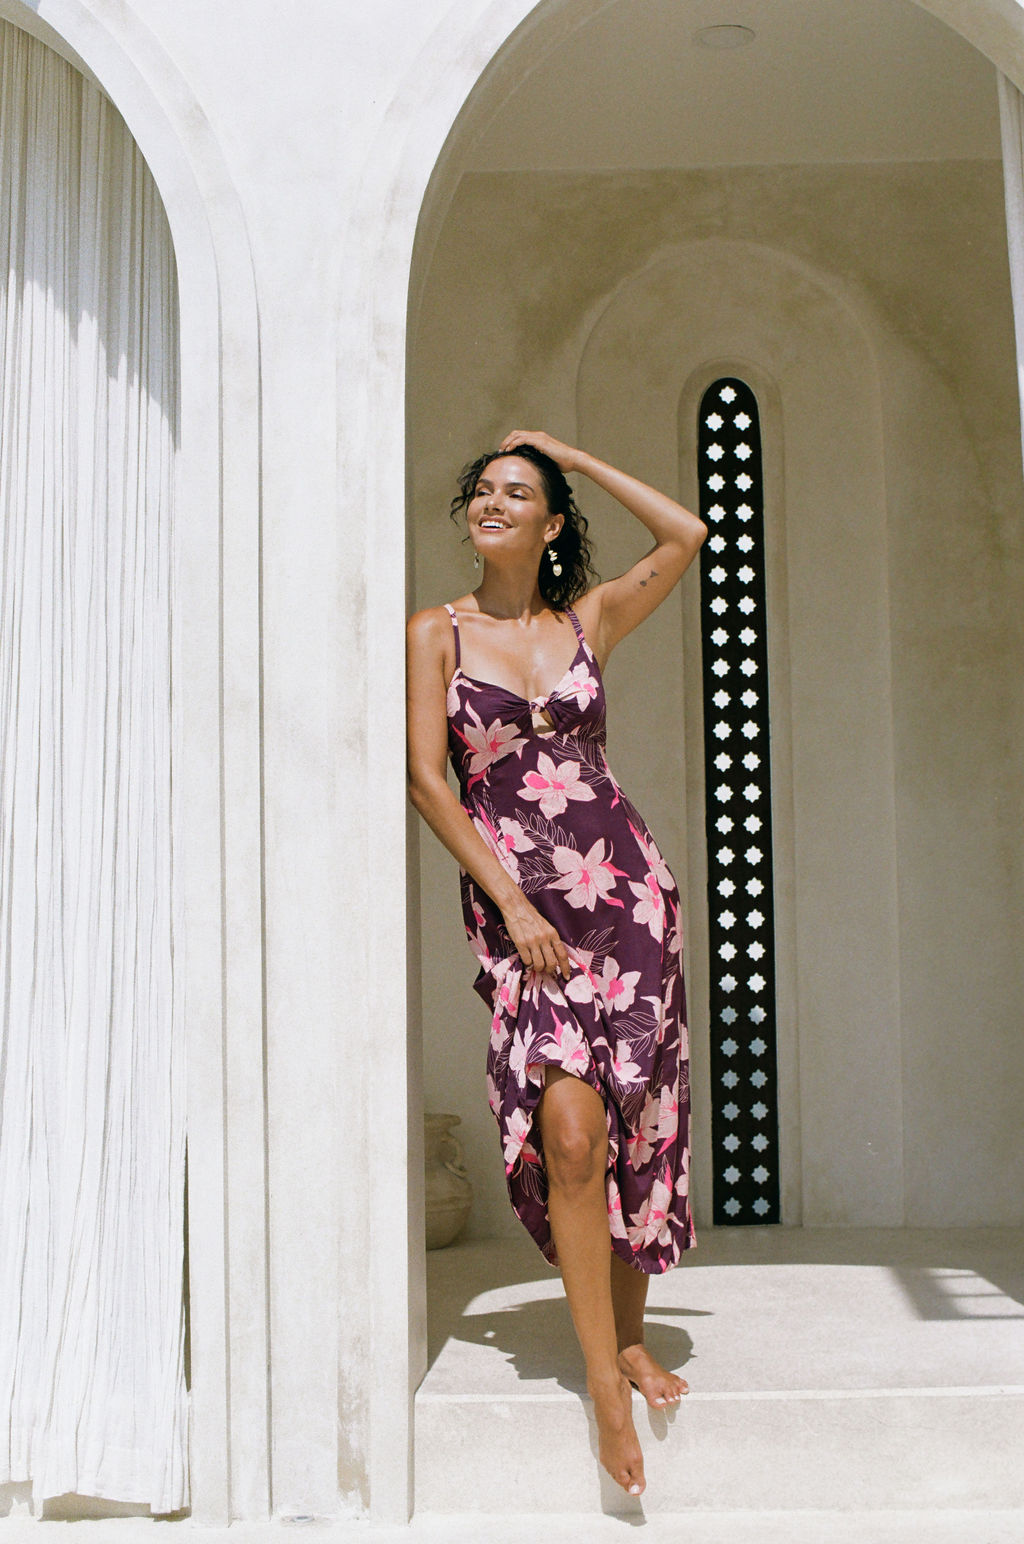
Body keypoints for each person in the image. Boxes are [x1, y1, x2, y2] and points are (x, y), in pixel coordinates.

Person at [406, 430, 707, 1496]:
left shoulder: (587, 621)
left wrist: (569, 450)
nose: (490, 501)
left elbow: (686, 532)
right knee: (569, 1133)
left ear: (551, 520)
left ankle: (627, 1335)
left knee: (634, 1117)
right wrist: (510, 900)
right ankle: (604, 1378)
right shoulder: (435, 631)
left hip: (626, 898)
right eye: (480, 487)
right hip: (523, 912)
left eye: (515, 489)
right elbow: (429, 782)